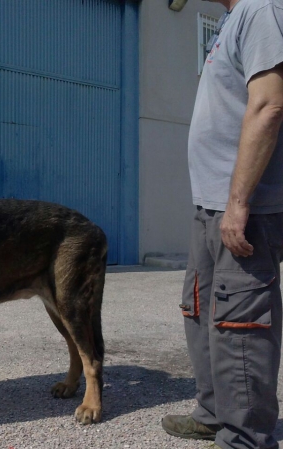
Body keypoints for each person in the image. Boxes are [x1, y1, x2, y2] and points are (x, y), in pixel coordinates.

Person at [161, 0, 283, 448]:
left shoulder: (262, 9)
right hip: (210, 206)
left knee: (242, 324)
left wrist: (238, 202)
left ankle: (247, 437)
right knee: (201, 311)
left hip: (243, 209)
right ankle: (215, 413)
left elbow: (270, 105)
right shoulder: (232, 19)